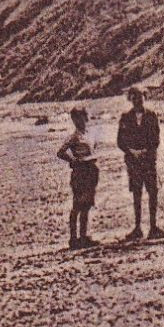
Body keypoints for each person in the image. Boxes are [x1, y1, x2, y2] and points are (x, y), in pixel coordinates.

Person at [116, 88, 164, 242]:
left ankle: (153, 226)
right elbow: (120, 141)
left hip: (149, 161)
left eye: (140, 97)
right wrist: (132, 152)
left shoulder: (152, 116)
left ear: (145, 97)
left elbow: (156, 138)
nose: (138, 100)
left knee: (153, 193)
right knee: (136, 194)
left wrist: (146, 151)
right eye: (135, 98)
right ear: (131, 99)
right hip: (133, 162)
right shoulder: (125, 117)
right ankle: (137, 228)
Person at [57, 107, 99, 250]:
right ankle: (73, 239)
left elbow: (93, 150)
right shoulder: (74, 136)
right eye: (78, 118)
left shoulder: (89, 134)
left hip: (91, 171)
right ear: (74, 120)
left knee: (86, 205)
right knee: (77, 205)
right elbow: (60, 152)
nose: (82, 120)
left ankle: (83, 237)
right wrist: (73, 160)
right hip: (80, 172)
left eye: (83, 116)